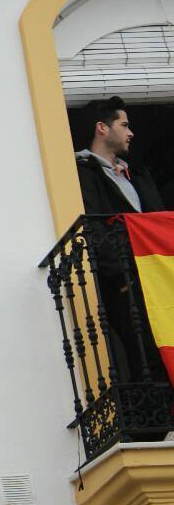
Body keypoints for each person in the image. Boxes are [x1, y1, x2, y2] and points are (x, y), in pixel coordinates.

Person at [75, 97, 165, 387]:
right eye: (124, 125)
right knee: (141, 353)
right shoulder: (83, 171)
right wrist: (121, 267)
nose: (131, 132)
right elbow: (94, 225)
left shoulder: (137, 174)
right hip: (123, 279)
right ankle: (157, 422)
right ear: (102, 128)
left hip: (157, 276)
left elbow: (159, 221)